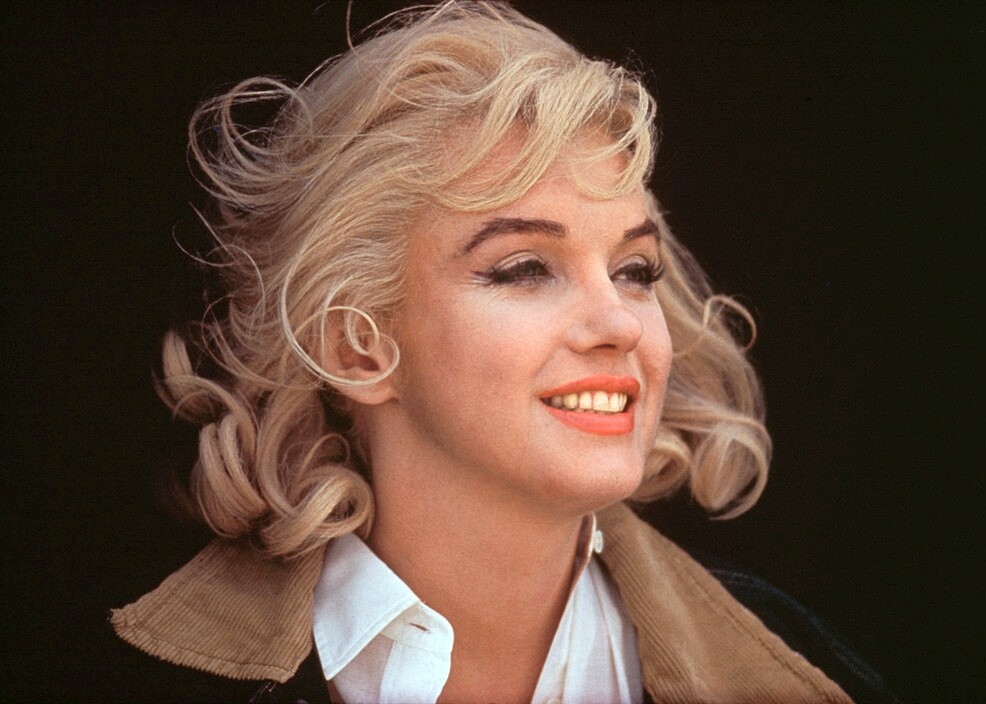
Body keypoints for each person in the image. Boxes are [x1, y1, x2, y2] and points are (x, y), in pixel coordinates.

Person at [110, 2, 896, 702]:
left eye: (634, 271)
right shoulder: (108, 673)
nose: (619, 323)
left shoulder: (804, 671)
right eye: (525, 269)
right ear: (355, 347)